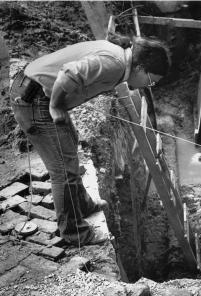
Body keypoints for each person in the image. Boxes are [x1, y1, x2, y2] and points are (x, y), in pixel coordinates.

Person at [10, 36, 171, 246]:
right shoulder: (114, 63)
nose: (149, 85)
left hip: (39, 93)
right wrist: (56, 105)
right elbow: (69, 73)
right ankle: (74, 234)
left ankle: (84, 205)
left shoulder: (118, 59)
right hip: (35, 100)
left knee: (69, 150)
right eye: (151, 81)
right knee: (63, 171)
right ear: (140, 68)